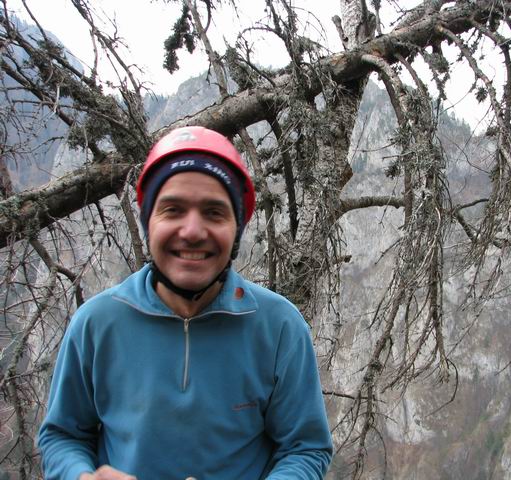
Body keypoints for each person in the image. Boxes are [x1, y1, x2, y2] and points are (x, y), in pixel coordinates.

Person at [38, 126, 333, 480]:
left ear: (236, 230)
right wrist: (81, 477)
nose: (192, 231)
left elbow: (305, 448)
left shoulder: (279, 327)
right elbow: (63, 436)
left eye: (214, 212)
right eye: (173, 209)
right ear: (148, 222)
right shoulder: (97, 324)